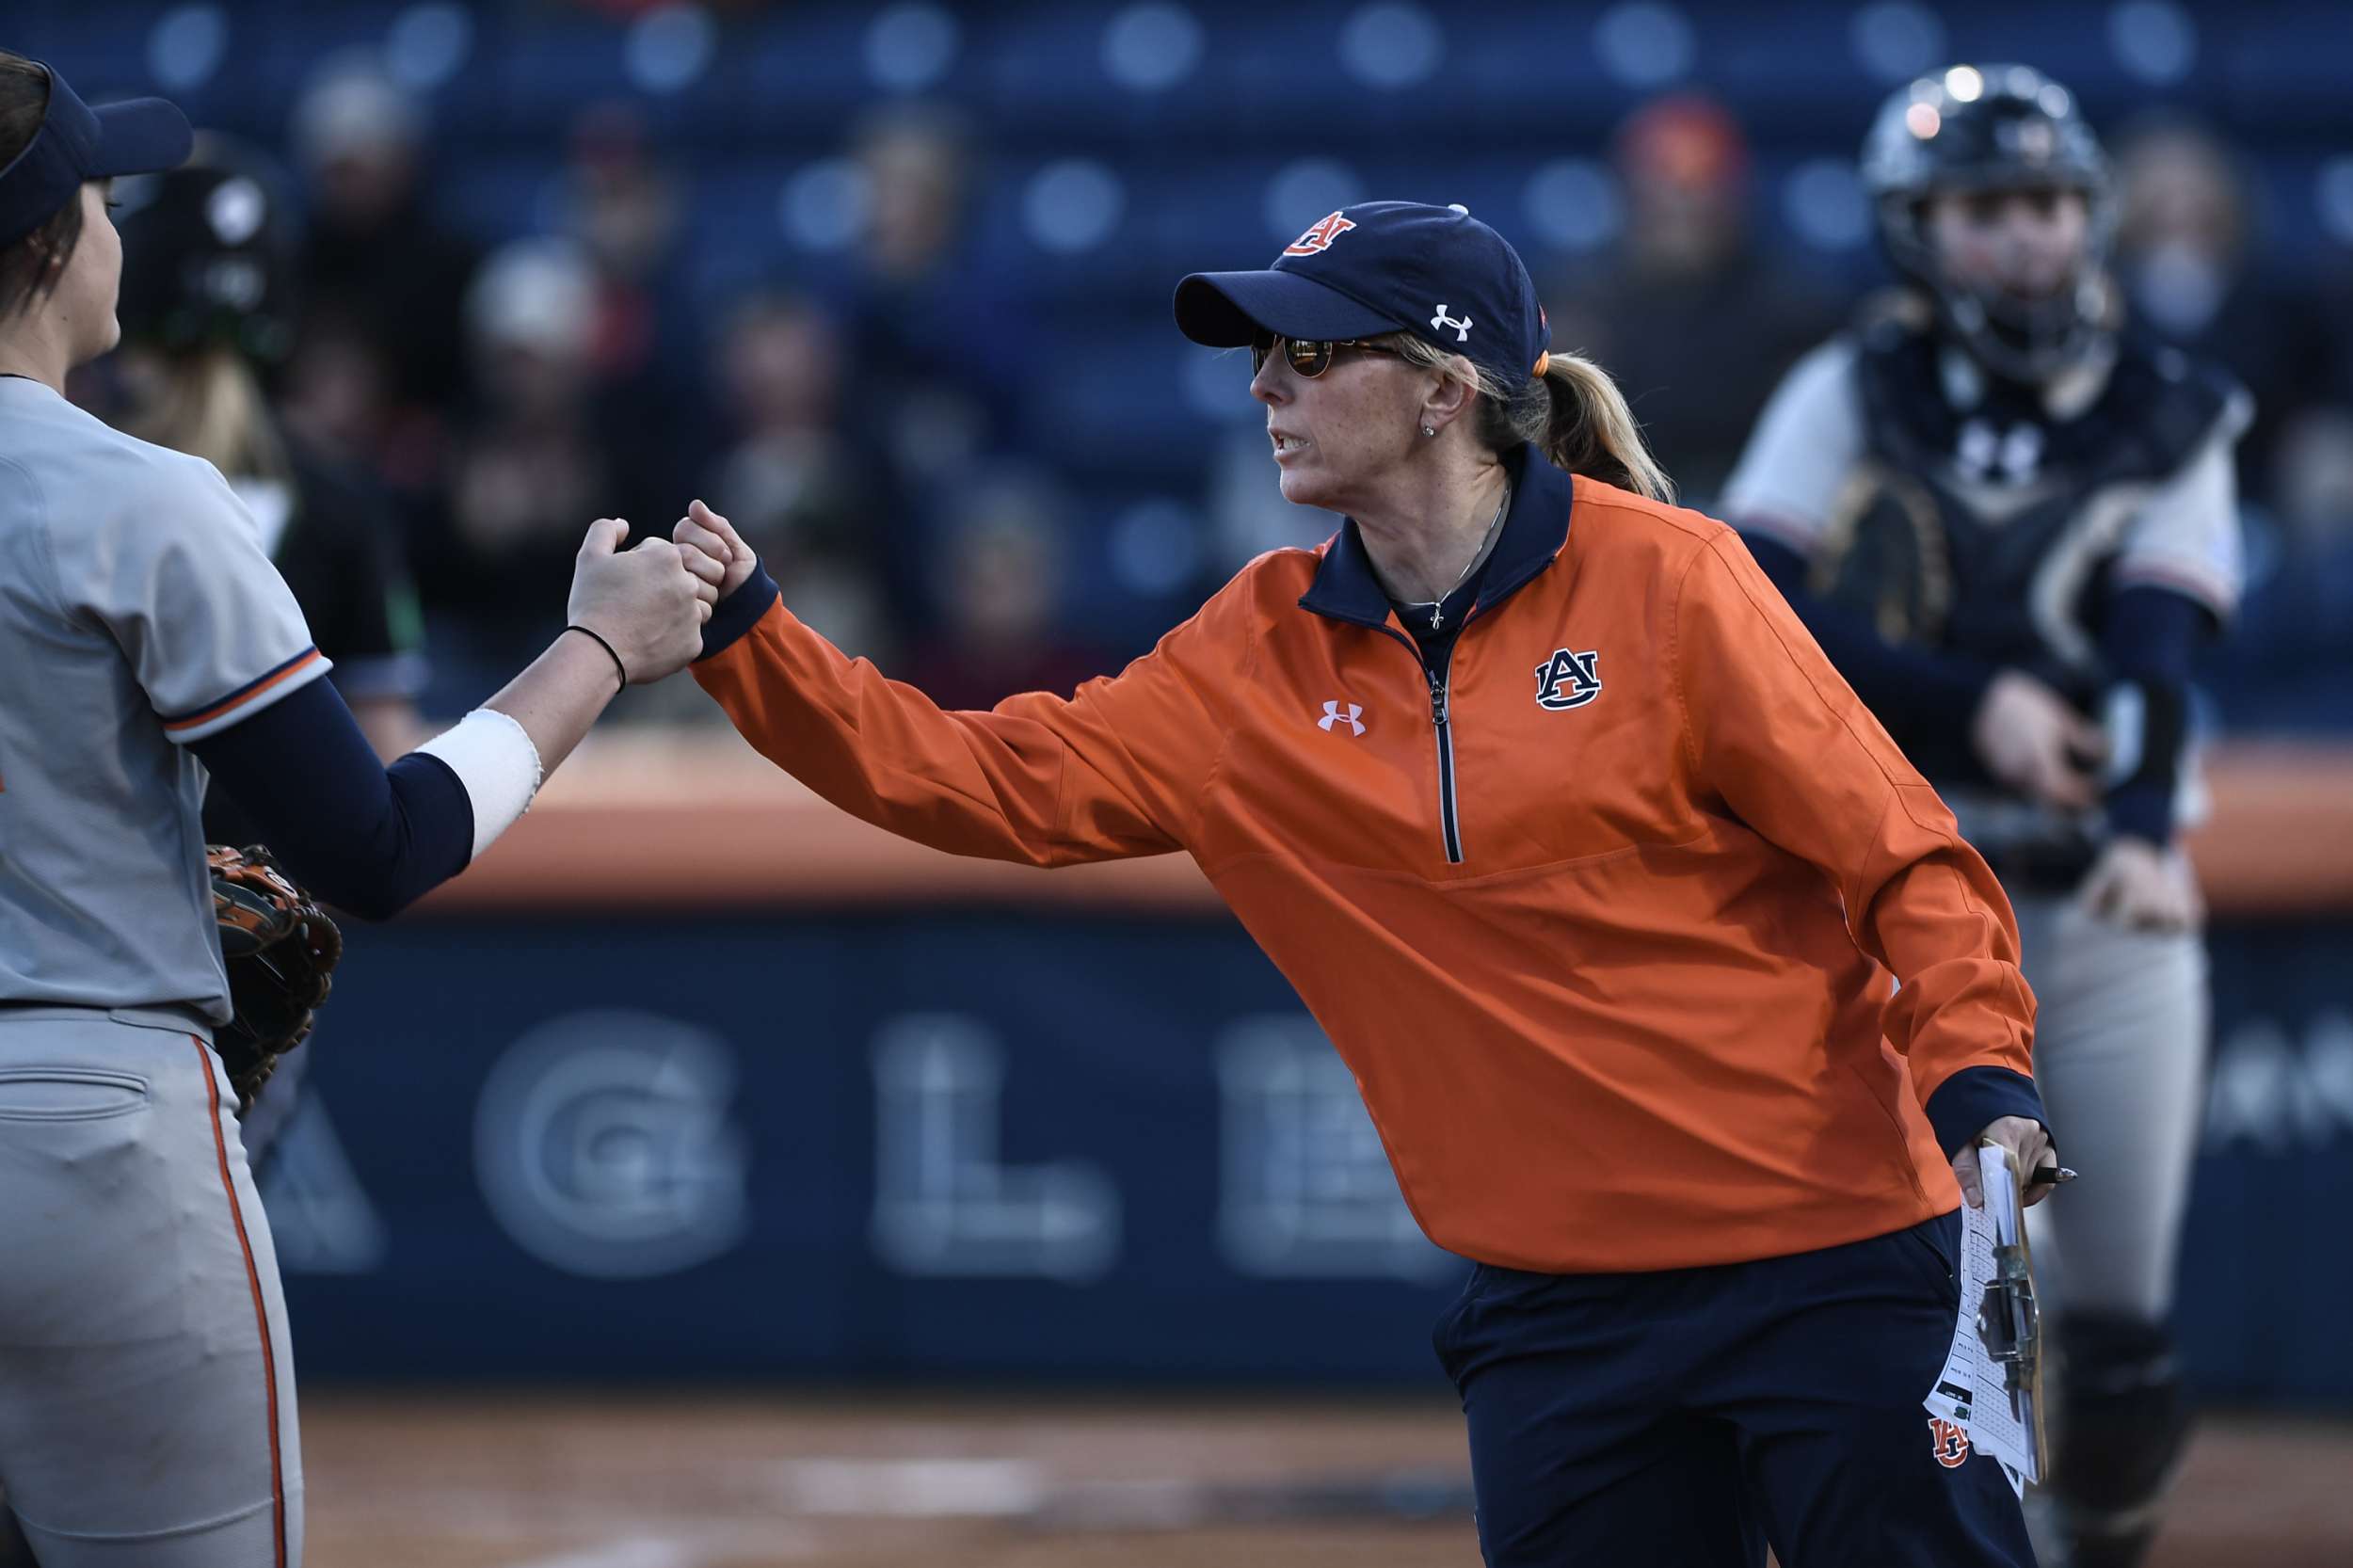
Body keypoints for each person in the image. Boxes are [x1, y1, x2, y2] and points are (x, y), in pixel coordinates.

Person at [673, 199, 2056, 1567]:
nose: (1266, 382)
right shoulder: (1250, 656)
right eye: (1264, 352)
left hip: (1839, 1262)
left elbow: (1905, 855)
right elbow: (971, 780)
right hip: (1557, 1309)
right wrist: (748, 632)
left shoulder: (1676, 585)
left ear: (1447, 391)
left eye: (1315, 354)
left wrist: (1980, 1077)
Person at [0, 55, 715, 1567]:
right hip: (93, 1111)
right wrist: (599, 649)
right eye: (105, 197)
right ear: (52, 247)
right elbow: (377, 847)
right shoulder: (138, 496)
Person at [1721, 65, 2246, 1568]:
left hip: (2101, 900)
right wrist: (1975, 702)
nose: (2024, 238)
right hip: (1904, 906)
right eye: (1986, 209)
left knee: (2121, 1348)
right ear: (1917, 228)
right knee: (1951, 1314)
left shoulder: (2171, 401)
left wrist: (2146, 825)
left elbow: (2156, 643)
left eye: (2049, 204)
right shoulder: (1847, 387)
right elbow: (1751, 606)